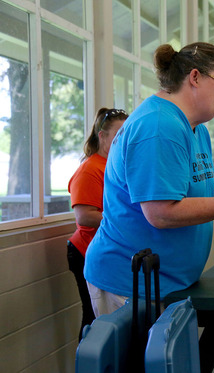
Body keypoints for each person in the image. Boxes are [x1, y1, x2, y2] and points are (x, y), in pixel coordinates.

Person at [84, 42, 214, 317]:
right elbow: (161, 213)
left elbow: (197, 192)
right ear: (195, 77)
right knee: (137, 362)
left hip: (169, 282)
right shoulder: (159, 126)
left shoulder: (194, 128)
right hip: (132, 285)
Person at [67, 107, 128, 339]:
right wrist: (127, 217)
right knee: (93, 319)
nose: (124, 141)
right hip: (85, 250)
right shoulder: (90, 170)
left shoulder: (116, 165)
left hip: (109, 251)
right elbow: (84, 216)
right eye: (119, 135)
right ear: (102, 136)